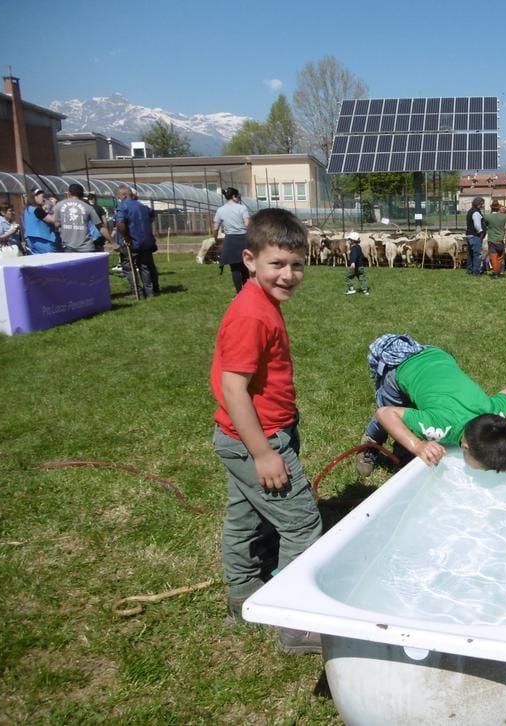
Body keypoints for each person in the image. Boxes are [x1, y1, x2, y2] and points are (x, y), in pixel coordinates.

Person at [210, 207, 323, 655]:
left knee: (245, 520)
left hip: (249, 436)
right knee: (302, 525)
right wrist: (263, 452)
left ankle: (242, 598)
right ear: (249, 259)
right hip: (257, 439)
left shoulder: (260, 303)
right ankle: (295, 625)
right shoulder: (252, 315)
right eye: (277, 263)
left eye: (297, 265)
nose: (289, 274)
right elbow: (232, 388)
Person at [354, 333, 506, 476]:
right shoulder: (440, 427)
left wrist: (505, 434)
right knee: (387, 419)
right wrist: (417, 446)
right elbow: (385, 413)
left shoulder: (495, 411)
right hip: (401, 369)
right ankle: (370, 443)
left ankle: (402, 450)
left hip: (437, 357)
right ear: (465, 447)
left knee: (413, 414)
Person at [114, 184, 160, 298]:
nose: (118, 198)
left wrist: (125, 237)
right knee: (145, 266)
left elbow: (120, 223)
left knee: (128, 266)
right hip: (145, 240)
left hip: (132, 241)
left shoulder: (123, 206)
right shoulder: (142, 206)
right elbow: (152, 213)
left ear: (123, 194)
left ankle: (137, 291)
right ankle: (149, 292)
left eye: (118, 195)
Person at [213, 187, 251, 294]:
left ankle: (239, 293)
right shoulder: (242, 208)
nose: (239, 198)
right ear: (234, 196)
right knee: (244, 266)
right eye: (238, 196)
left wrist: (215, 238)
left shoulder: (220, 210)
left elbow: (215, 228)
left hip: (230, 240)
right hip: (243, 238)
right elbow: (247, 224)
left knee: (234, 268)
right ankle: (247, 291)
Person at [53, 183, 111, 253]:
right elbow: (101, 227)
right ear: (82, 195)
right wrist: (112, 242)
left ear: (69, 193)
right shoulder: (88, 207)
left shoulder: (59, 205)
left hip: (67, 246)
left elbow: (55, 224)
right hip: (85, 247)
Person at [23, 188, 61, 254]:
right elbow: (53, 220)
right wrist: (55, 206)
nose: (44, 199)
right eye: (42, 197)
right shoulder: (37, 210)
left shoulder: (27, 209)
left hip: (30, 239)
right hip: (43, 240)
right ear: (35, 197)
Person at [486, 200, 506, 277]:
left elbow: (484, 226)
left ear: (491, 208)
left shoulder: (487, 217)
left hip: (491, 240)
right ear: (499, 208)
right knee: (500, 257)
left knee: (493, 256)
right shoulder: (503, 217)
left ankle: (495, 272)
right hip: (500, 240)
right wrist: (505, 235)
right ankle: (498, 271)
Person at [465, 196, 486, 275]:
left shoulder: (470, 211)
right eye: (482, 204)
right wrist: (481, 231)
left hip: (469, 235)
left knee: (471, 254)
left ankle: (470, 270)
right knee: (477, 254)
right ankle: (476, 272)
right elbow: (477, 224)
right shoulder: (476, 212)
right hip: (475, 235)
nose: (483, 205)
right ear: (479, 204)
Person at [344, 231, 369, 295]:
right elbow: (360, 255)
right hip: (361, 266)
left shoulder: (353, 248)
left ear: (352, 240)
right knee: (362, 278)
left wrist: (353, 262)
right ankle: (365, 290)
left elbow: (354, 255)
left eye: (349, 239)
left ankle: (351, 289)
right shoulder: (359, 247)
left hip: (355, 267)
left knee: (348, 277)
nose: (348, 240)